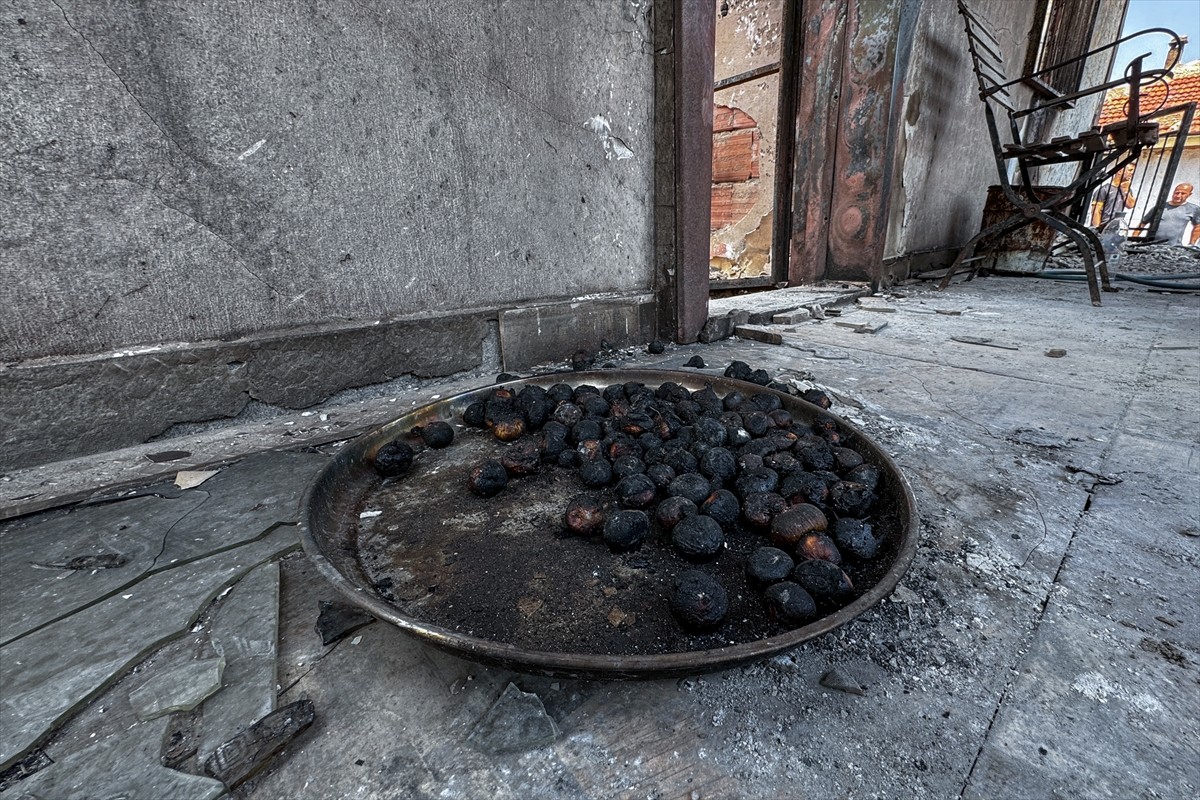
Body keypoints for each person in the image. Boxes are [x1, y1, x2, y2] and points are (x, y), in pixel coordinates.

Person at [1136, 183, 1200, 245]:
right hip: (1150, 245)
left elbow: (1198, 227)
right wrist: (1134, 240)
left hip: (1173, 247)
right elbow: (1143, 223)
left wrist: (1192, 244)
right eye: (1177, 192)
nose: (1178, 195)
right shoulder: (1160, 207)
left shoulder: (1193, 209)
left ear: (1189, 194)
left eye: (1183, 193)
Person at [1090, 163, 1136, 231]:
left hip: (1115, 228)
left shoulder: (1127, 190)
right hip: (1102, 227)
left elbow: (1130, 205)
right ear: (1120, 171)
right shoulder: (1104, 189)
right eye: (1130, 170)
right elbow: (1096, 211)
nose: (1132, 173)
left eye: (1133, 171)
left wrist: (1125, 191)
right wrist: (1097, 229)